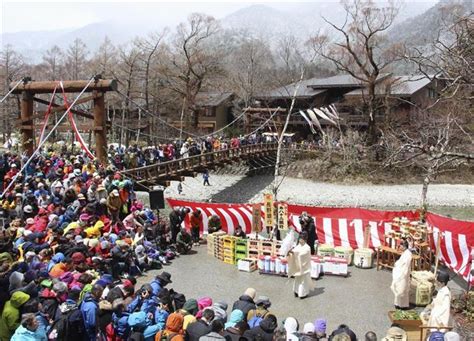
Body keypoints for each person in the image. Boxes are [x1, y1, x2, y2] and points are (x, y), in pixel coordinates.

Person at [287, 231, 313, 299]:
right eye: (300, 239)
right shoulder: (298, 246)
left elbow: (303, 254)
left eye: (301, 239)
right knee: (297, 279)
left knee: (303, 281)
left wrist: (295, 253)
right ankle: (296, 291)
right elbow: (296, 251)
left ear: (305, 239)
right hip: (298, 266)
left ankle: (302, 293)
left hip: (303, 267)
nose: (300, 240)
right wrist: (291, 252)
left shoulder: (307, 247)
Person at [390, 239, 412, 309]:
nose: (400, 247)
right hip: (400, 272)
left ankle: (403, 305)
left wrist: (401, 274)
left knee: (402, 290)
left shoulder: (408, 255)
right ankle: (397, 303)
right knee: (398, 289)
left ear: (404, 246)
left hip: (403, 274)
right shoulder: (405, 253)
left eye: (401, 246)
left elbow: (406, 266)